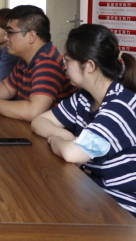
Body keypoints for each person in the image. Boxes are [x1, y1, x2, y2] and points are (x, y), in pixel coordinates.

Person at [32, 24, 136, 216]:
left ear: (89, 66)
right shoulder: (84, 97)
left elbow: (73, 154)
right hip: (94, 190)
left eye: (67, 60)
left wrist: (55, 139)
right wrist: (64, 135)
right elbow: (39, 121)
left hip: (123, 205)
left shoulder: (120, 108)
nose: (63, 66)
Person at [0, 5, 76, 121]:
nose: (6, 38)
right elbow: (7, 87)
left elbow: (33, 111)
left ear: (31, 36)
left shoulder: (48, 62)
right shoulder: (26, 58)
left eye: (10, 32)